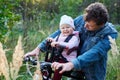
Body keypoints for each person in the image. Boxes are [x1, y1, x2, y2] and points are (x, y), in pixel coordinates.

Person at [24, 2, 118, 80]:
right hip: (74, 67)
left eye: (90, 26)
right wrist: (39, 48)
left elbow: (96, 52)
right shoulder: (81, 19)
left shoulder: (110, 34)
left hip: (93, 71)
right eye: (85, 22)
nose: (85, 26)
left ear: (101, 24)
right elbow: (60, 32)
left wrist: (72, 64)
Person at [24, 15, 80, 80]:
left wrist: (58, 44)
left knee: (58, 68)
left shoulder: (74, 38)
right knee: (46, 64)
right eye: (63, 28)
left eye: (68, 27)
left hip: (67, 59)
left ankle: (55, 79)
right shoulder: (60, 36)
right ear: (60, 29)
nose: (65, 29)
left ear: (73, 28)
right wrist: (51, 40)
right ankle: (43, 76)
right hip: (57, 57)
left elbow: (70, 45)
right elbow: (54, 41)